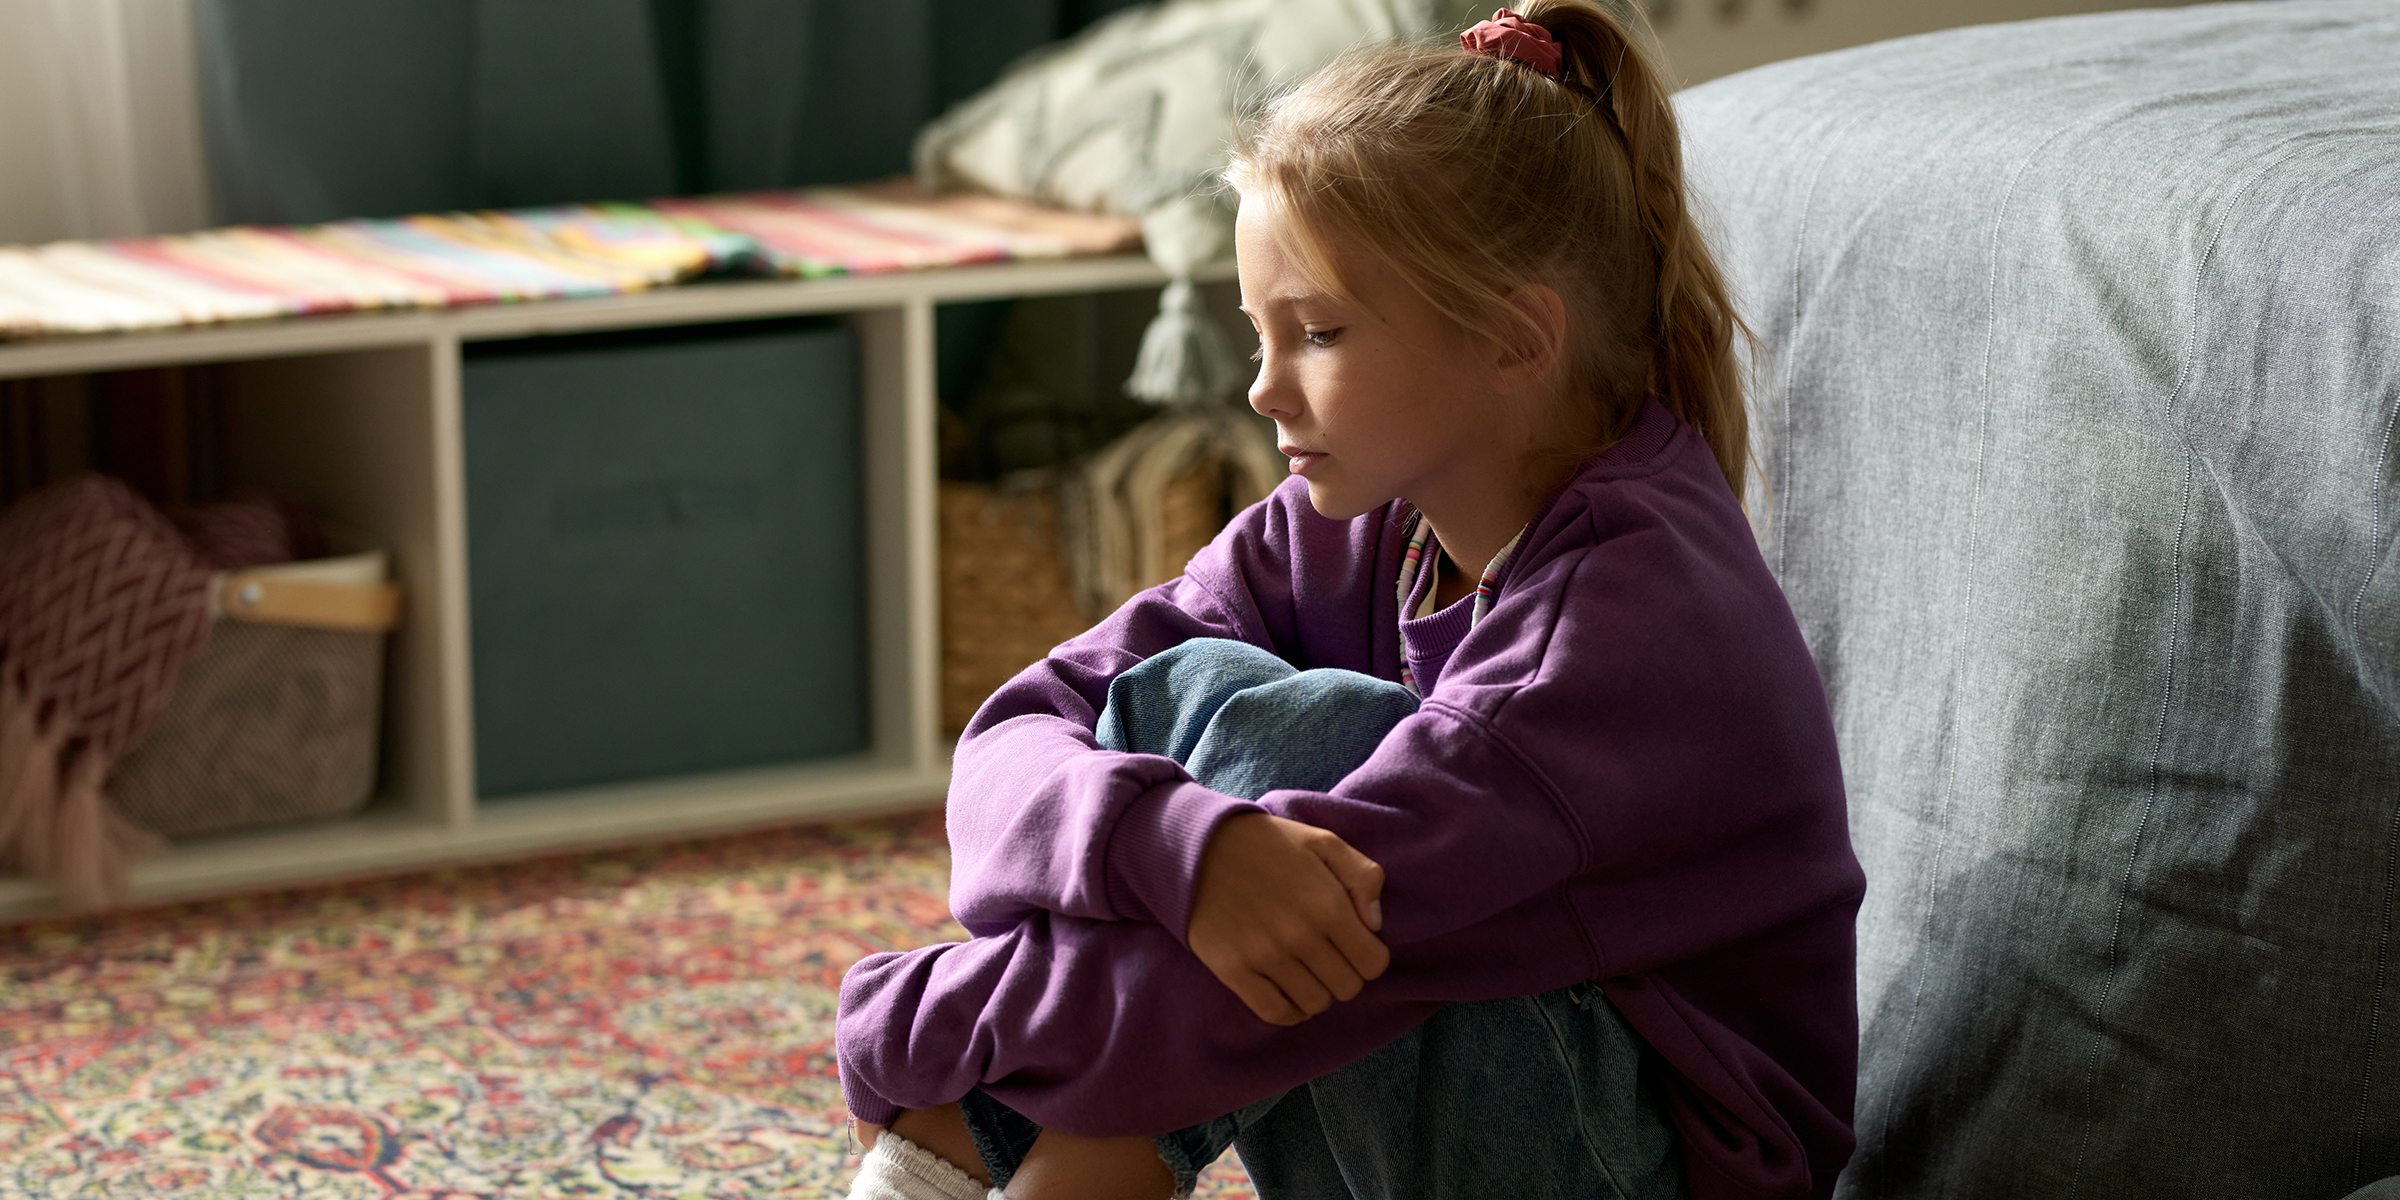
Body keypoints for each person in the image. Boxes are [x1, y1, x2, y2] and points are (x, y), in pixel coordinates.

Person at [836, 4, 1864, 1198]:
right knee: (1200, 718)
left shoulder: (1629, 621)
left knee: (1300, 780)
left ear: (1518, 339)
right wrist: (1173, 846)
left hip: (1647, 1159)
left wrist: (922, 1016)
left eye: (1317, 332)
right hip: (1438, 1050)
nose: (1265, 390)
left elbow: (1333, 939)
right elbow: (1019, 728)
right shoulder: (1361, 521)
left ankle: (967, 1171)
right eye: (1257, 333)